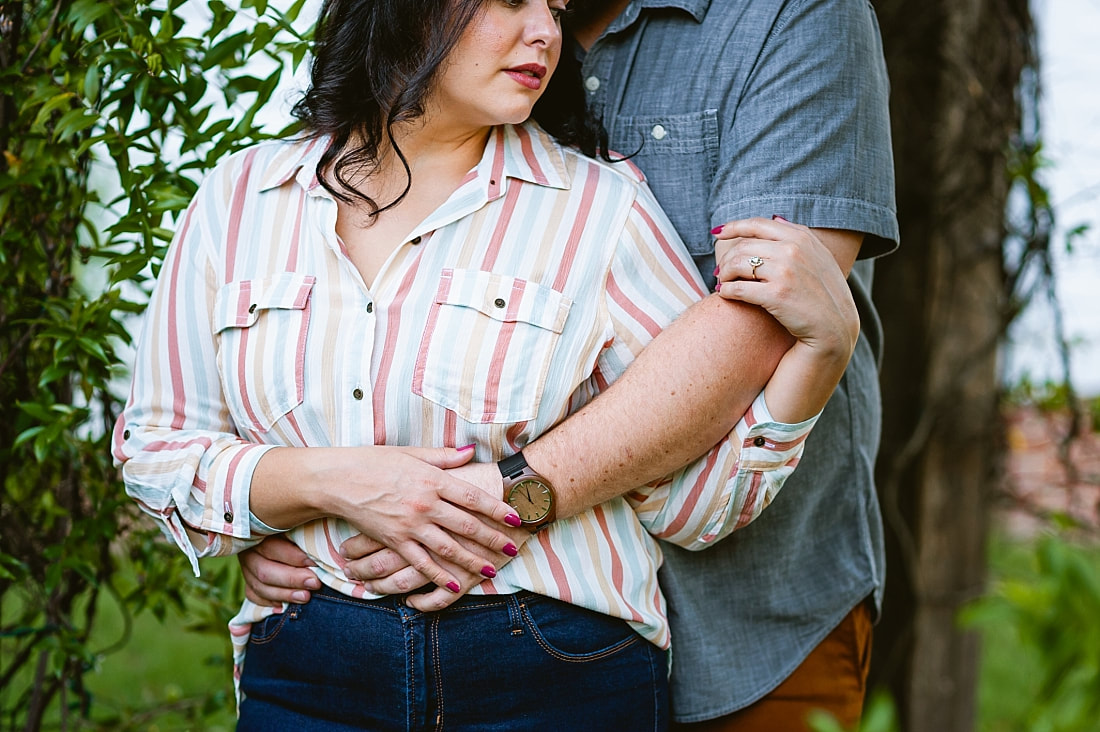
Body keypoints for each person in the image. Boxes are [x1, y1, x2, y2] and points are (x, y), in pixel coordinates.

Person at [113, 0, 862, 729]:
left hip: (553, 668)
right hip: (310, 670)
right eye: (511, 1)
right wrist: (325, 483)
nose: (545, 32)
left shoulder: (601, 210)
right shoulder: (241, 199)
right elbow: (157, 452)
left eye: (556, 10)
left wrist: (817, 359)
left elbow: (692, 505)